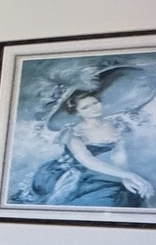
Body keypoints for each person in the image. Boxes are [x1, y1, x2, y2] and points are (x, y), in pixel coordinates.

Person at [25, 86, 154, 207]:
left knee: (132, 193)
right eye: (85, 107)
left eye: (95, 103)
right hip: (72, 173)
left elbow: (118, 153)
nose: (94, 108)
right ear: (77, 112)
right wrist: (129, 176)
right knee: (107, 198)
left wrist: (124, 177)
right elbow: (88, 160)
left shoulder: (114, 124)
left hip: (100, 170)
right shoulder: (74, 132)